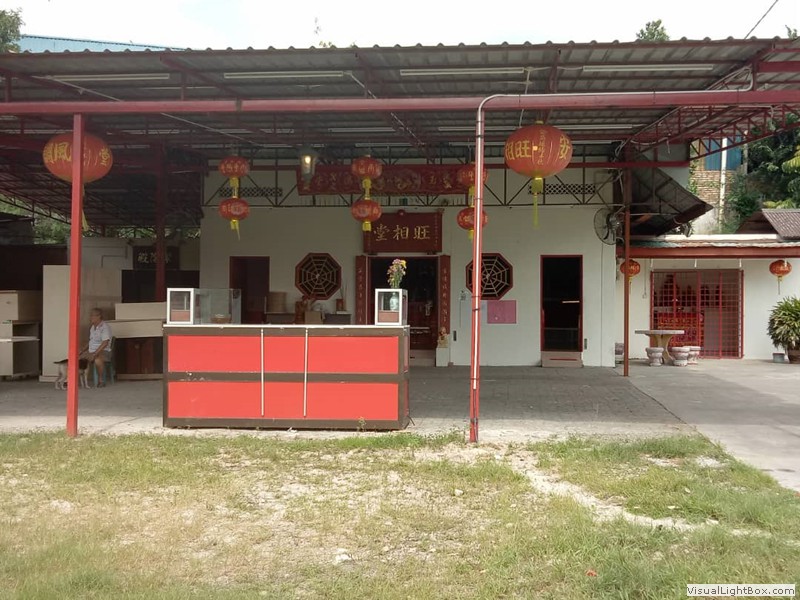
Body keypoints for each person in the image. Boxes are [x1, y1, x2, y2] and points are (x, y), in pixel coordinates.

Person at [80, 308, 112, 387]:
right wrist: (82, 350)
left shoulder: (104, 327)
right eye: (90, 315)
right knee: (76, 357)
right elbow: (90, 341)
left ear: (99, 316)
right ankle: (69, 380)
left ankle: (101, 380)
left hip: (103, 351)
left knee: (98, 360)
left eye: (92, 316)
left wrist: (95, 353)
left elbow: (105, 343)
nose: (90, 317)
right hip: (91, 351)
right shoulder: (92, 327)